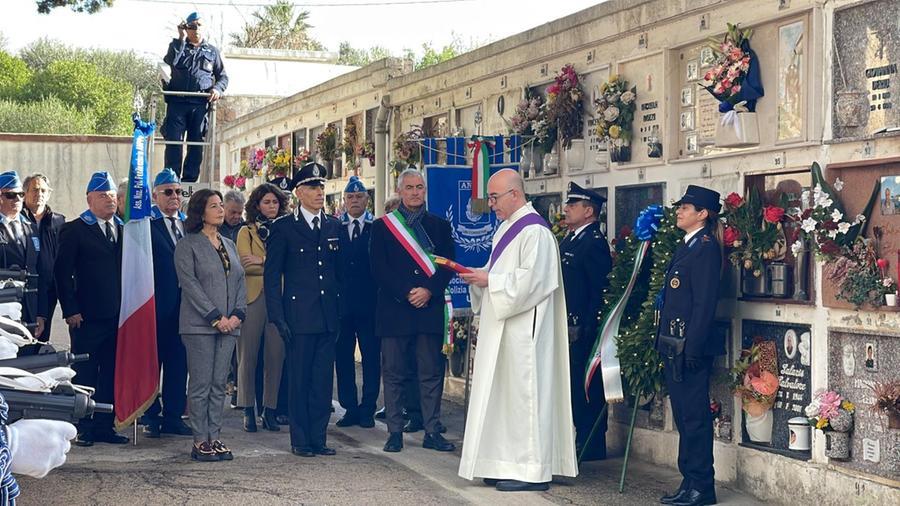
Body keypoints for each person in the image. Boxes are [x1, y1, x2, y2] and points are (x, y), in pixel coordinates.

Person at [457, 169, 577, 492]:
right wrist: (480, 276)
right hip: (505, 328)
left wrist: (490, 281)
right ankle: (502, 462)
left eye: (494, 197)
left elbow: (534, 282)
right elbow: (501, 272)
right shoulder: (506, 229)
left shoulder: (535, 232)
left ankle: (530, 470)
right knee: (503, 398)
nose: (490, 205)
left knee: (524, 397)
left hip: (526, 333)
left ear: (515, 194)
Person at [370, 169, 455, 454]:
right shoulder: (383, 227)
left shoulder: (440, 226)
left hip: (428, 309)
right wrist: (407, 291)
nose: (415, 192)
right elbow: (379, 268)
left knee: (430, 373)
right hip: (396, 310)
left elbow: (448, 265)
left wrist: (429, 290)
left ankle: (432, 430)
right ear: (400, 191)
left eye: (420, 187)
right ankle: (394, 432)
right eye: (409, 188)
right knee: (394, 374)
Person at [264, 162, 341, 457]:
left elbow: (339, 274)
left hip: (327, 315)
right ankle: (300, 439)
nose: (319, 191)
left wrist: (340, 311)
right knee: (299, 379)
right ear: (298, 192)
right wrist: (277, 317)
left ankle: (319, 437)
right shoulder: (284, 227)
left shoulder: (333, 225)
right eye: (312, 187)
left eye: (321, 186)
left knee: (322, 381)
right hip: (298, 317)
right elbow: (273, 277)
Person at [656, 185, 724, 506]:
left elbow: (704, 303)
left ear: (703, 214)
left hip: (690, 347)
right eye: (680, 207)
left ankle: (702, 488)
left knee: (695, 418)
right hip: (676, 343)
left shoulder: (706, 248)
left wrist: (693, 348)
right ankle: (689, 481)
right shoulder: (689, 245)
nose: (679, 211)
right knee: (684, 417)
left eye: (686, 207)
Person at [54, 171, 129, 446]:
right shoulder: (74, 229)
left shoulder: (124, 229)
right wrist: (70, 309)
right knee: (85, 374)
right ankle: (83, 427)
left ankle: (104, 426)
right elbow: (62, 274)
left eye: (111, 195)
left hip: (117, 316)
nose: (109, 200)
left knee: (110, 372)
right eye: (102, 196)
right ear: (89, 199)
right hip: (86, 317)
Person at [174, 189, 246, 462]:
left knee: (219, 384)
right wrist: (215, 316)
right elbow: (190, 285)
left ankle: (215, 437)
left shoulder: (228, 243)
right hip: (200, 326)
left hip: (231, 325)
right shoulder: (188, 244)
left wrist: (238, 314)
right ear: (200, 212)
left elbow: (240, 280)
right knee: (201, 384)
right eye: (214, 206)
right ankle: (199, 440)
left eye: (220, 206)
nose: (220, 210)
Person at [561, 182, 612, 461]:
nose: (566, 209)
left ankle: (591, 443)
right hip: (568, 325)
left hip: (582, 328)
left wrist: (590, 330)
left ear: (589, 211)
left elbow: (598, 292)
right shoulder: (571, 239)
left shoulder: (593, 243)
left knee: (587, 387)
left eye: (573, 205)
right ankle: (580, 436)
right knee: (573, 387)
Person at [142, 169, 191, 438]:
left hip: (185, 308)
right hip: (156, 307)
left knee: (178, 364)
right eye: (168, 192)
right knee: (153, 363)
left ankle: (173, 415)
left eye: (178, 191)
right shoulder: (146, 225)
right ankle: (151, 415)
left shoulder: (188, 224)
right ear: (155, 195)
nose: (174, 197)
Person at [236, 183, 288, 433]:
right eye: (266, 202)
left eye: (275, 202)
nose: (271, 206)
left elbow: (291, 264)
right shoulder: (246, 232)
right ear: (257, 205)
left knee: (276, 356)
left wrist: (263, 261)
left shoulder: (287, 230)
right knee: (248, 355)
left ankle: (270, 410)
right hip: (253, 298)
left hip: (279, 299)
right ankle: (247, 409)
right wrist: (273, 264)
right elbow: (244, 264)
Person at [162, 11, 228, 183]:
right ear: (186, 28)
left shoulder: (212, 52)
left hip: (199, 104)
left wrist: (217, 89)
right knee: (174, 142)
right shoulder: (179, 46)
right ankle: (171, 179)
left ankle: (189, 181)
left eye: (199, 25)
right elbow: (170, 60)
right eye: (192, 26)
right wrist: (180, 38)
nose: (196, 29)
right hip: (177, 102)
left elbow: (223, 77)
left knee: (196, 144)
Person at [335, 176, 379, 429]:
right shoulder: (335, 228)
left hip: (370, 306)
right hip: (342, 307)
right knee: (343, 358)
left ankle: (368, 409)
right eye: (350, 197)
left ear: (366, 200)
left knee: (372, 358)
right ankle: (350, 407)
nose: (354, 201)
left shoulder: (376, 228)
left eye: (359, 197)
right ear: (344, 201)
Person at [22, 173, 66, 344]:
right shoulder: (19, 220)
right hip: (23, 291)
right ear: (25, 193)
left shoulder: (58, 222)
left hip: (48, 291)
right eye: (34, 190)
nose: (39, 194)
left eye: (43, 190)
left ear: (49, 194)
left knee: (40, 340)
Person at [0, 172, 41, 334]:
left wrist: (41, 313)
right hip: (3, 305)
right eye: (11, 195)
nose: (17, 199)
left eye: (20, 194)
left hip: (29, 306)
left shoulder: (31, 227)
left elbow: (40, 271)